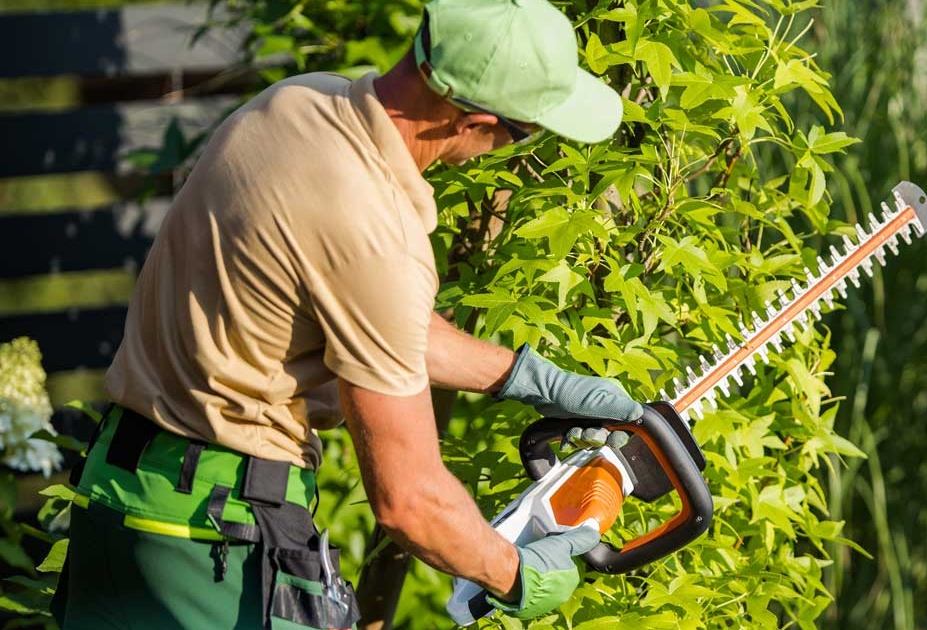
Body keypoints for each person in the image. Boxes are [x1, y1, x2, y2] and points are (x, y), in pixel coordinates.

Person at [49, 0, 631, 627]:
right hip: (215, 541)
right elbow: (408, 502)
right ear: (474, 119)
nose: (513, 147)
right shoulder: (372, 225)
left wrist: (531, 380)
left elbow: (368, 318)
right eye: (524, 132)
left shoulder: (299, 105)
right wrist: (516, 575)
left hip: (117, 498)